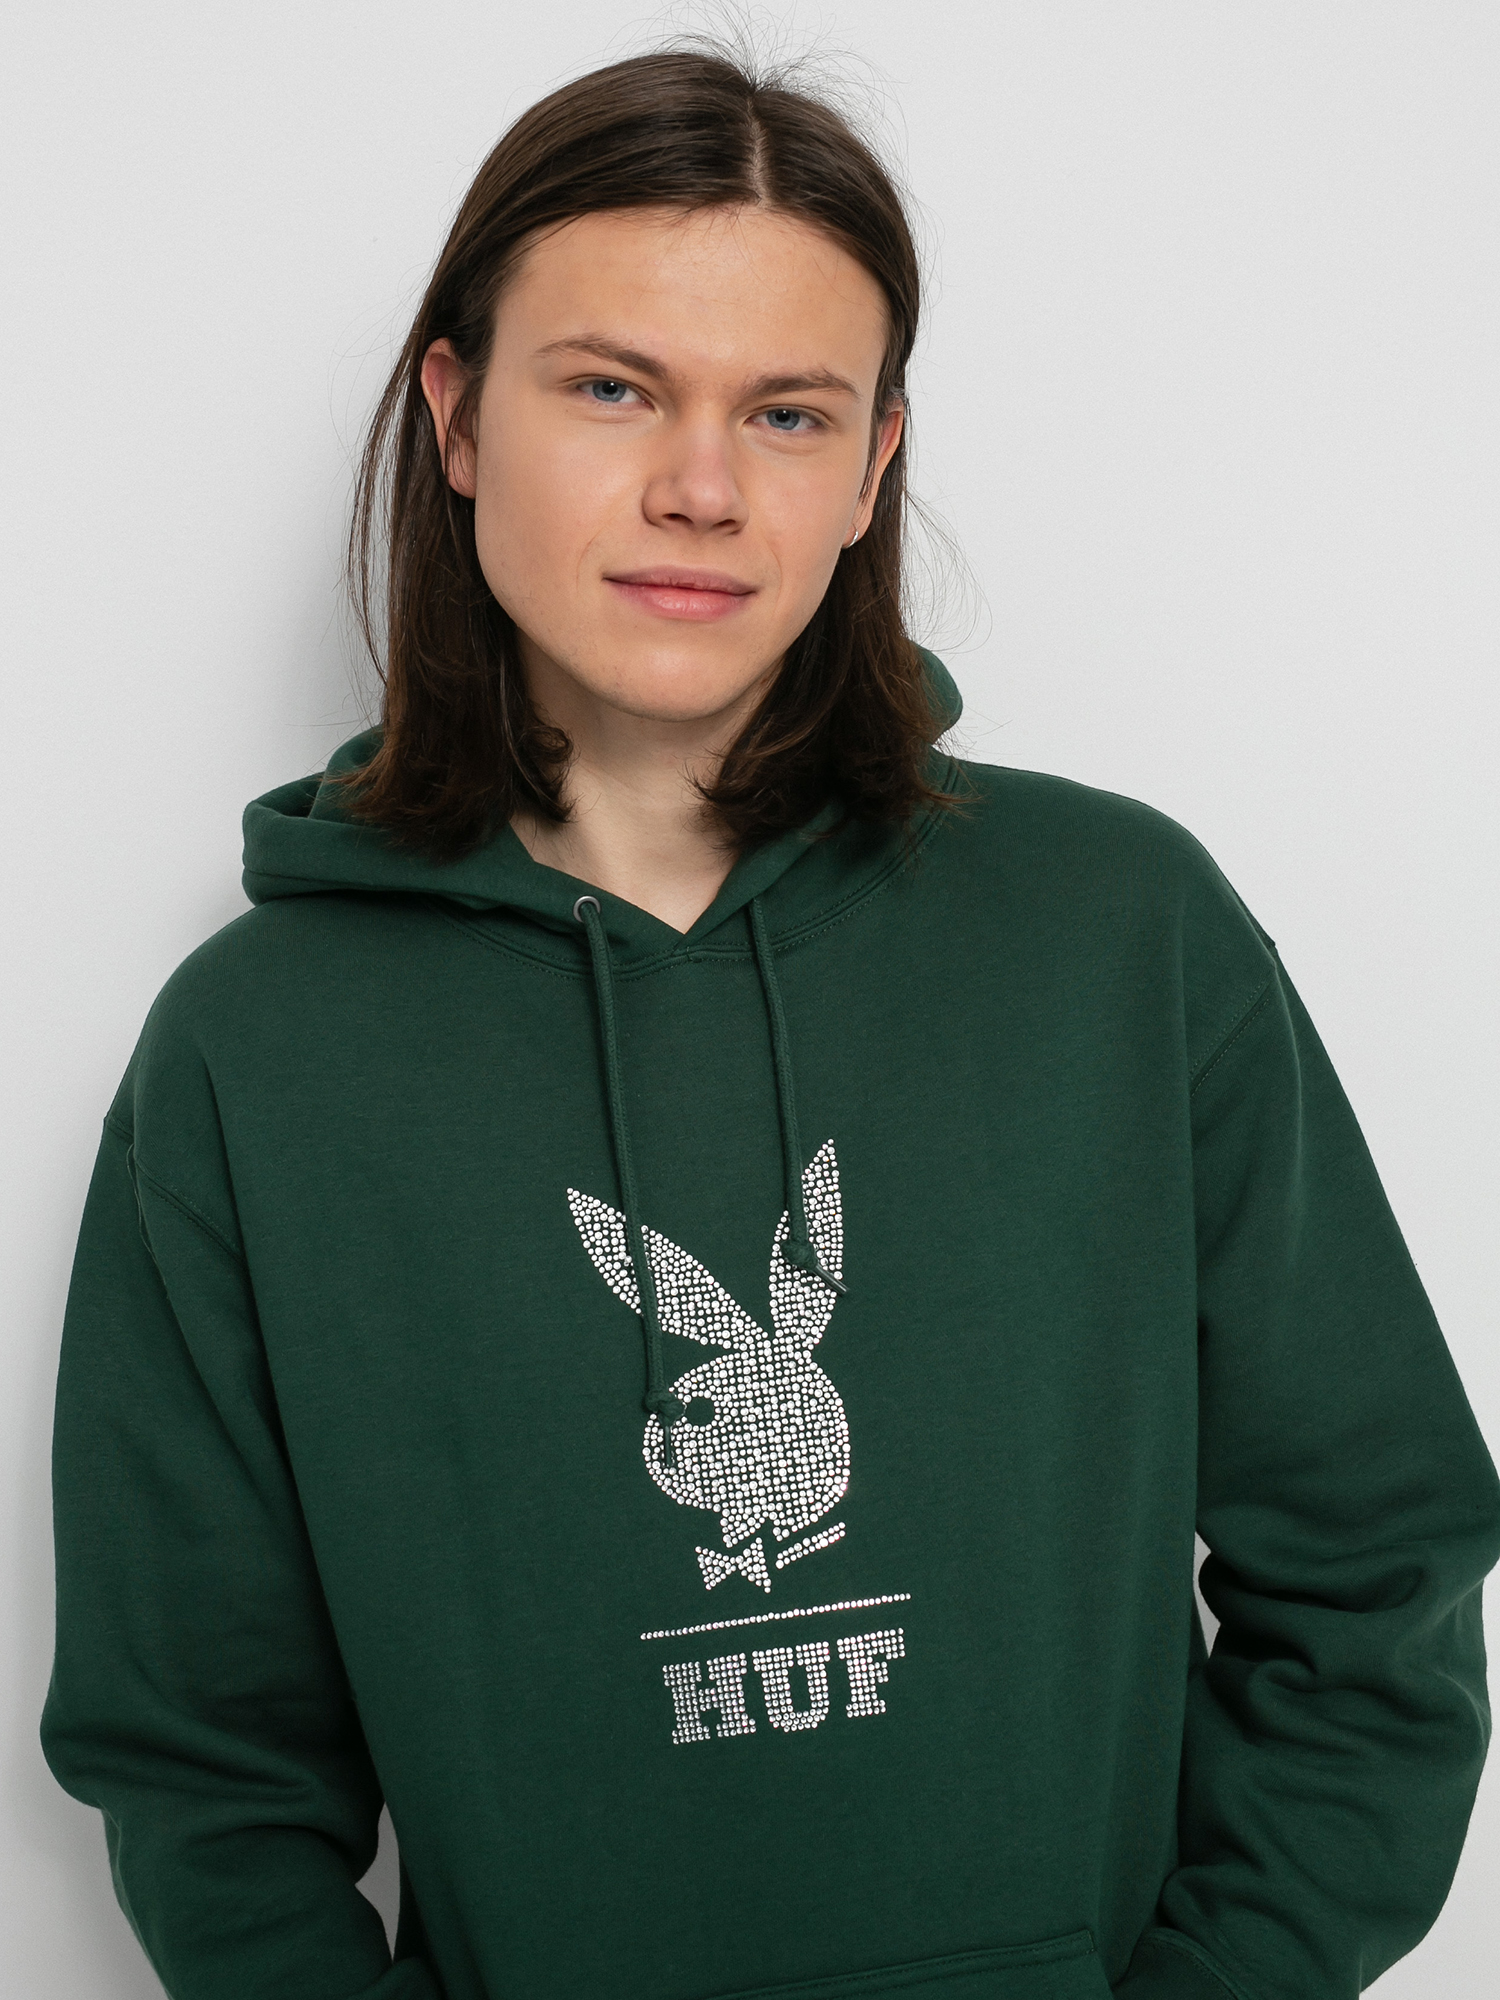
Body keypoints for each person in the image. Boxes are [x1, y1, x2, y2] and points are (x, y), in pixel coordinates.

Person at [41, 43, 1500, 2000]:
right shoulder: (255, 1052)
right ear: (456, 417)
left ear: (873, 465)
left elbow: (1378, 1574)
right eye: (612, 387)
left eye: (788, 412)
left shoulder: (1120, 933)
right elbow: (204, 1768)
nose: (702, 489)